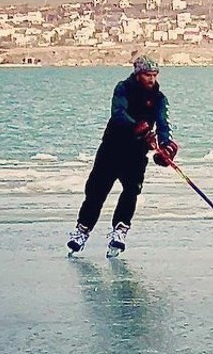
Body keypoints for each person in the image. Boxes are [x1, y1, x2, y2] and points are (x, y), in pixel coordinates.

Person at [67, 56, 179, 256]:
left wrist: (166, 146)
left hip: (136, 153)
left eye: (155, 75)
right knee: (96, 192)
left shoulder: (159, 98)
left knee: (131, 191)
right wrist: (138, 127)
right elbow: (118, 113)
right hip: (112, 148)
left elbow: (164, 124)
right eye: (147, 75)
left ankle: (120, 231)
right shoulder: (123, 88)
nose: (152, 79)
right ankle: (82, 231)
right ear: (138, 74)